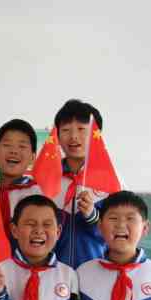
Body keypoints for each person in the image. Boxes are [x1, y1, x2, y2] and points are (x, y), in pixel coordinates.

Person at [51, 99, 109, 267]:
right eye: (66, 130)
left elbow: (119, 233)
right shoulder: (47, 178)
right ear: (57, 136)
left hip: (96, 272)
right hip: (52, 273)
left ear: (97, 135)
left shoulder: (111, 180)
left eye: (82, 129)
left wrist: (92, 216)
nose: (73, 136)